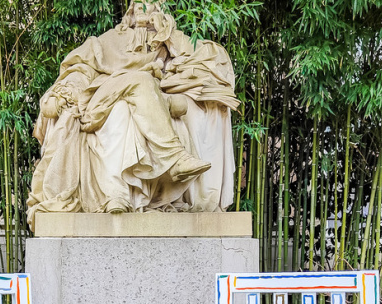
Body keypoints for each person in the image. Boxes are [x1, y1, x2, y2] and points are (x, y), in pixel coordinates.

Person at [27, 1, 239, 229]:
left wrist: (167, 33)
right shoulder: (109, 40)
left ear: (159, 10)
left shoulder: (165, 42)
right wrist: (64, 94)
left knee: (124, 111)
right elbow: (81, 68)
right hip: (102, 98)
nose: (140, 7)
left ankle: (117, 194)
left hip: (135, 101)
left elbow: (209, 59)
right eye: (137, 3)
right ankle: (174, 157)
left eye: (148, 3)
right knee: (141, 80)